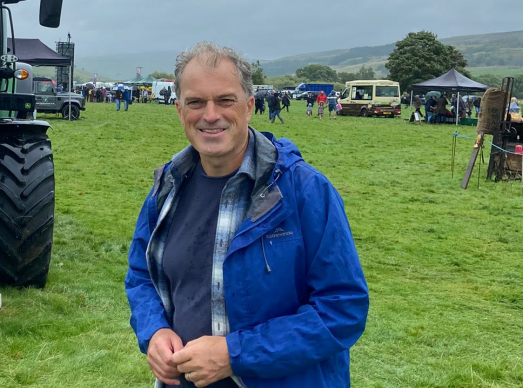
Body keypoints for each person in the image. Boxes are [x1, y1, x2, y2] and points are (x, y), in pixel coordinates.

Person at [126, 42, 369, 388]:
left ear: (250, 105)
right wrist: (154, 331)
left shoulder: (303, 190)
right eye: (196, 102)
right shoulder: (167, 186)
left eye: (225, 100)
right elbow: (141, 275)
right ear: (179, 110)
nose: (211, 115)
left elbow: (342, 308)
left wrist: (234, 354)